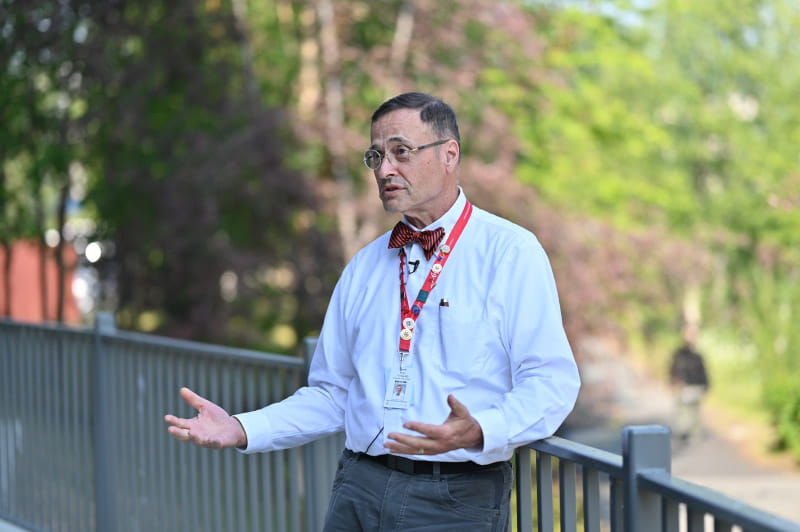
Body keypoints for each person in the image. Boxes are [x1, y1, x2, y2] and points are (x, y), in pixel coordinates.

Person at [164, 92, 581, 531]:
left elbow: (551, 384)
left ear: (449, 155)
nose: (385, 170)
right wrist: (242, 429)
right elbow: (331, 394)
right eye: (376, 156)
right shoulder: (364, 267)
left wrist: (481, 429)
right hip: (357, 488)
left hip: (455, 499)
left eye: (401, 152)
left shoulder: (511, 253)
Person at [669, 323, 710, 443]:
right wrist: (673, 382)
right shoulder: (679, 353)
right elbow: (673, 368)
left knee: (695, 413)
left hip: (696, 387)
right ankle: (683, 432)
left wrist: (706, 385)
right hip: (683, 387)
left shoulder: (698, 355)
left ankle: (694, 433)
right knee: (683, 412)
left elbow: (703, 371)